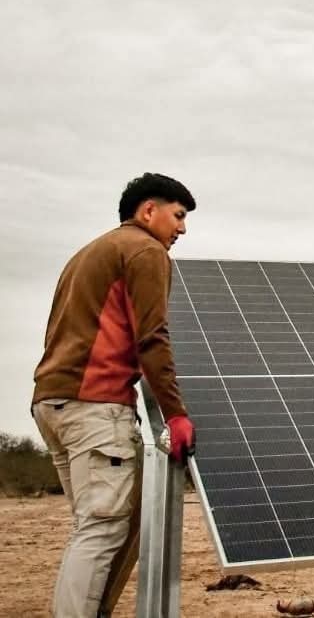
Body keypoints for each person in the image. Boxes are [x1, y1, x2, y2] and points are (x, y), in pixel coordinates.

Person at [31, 173, 198, 618]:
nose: (182, 229)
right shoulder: (145, 250)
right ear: (149, 211)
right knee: (101, 528)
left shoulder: (88, 253)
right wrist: (175, 413)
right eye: (178, 216)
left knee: (106, 522)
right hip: (95, 404)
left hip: (53, 402)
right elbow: (152, 337)